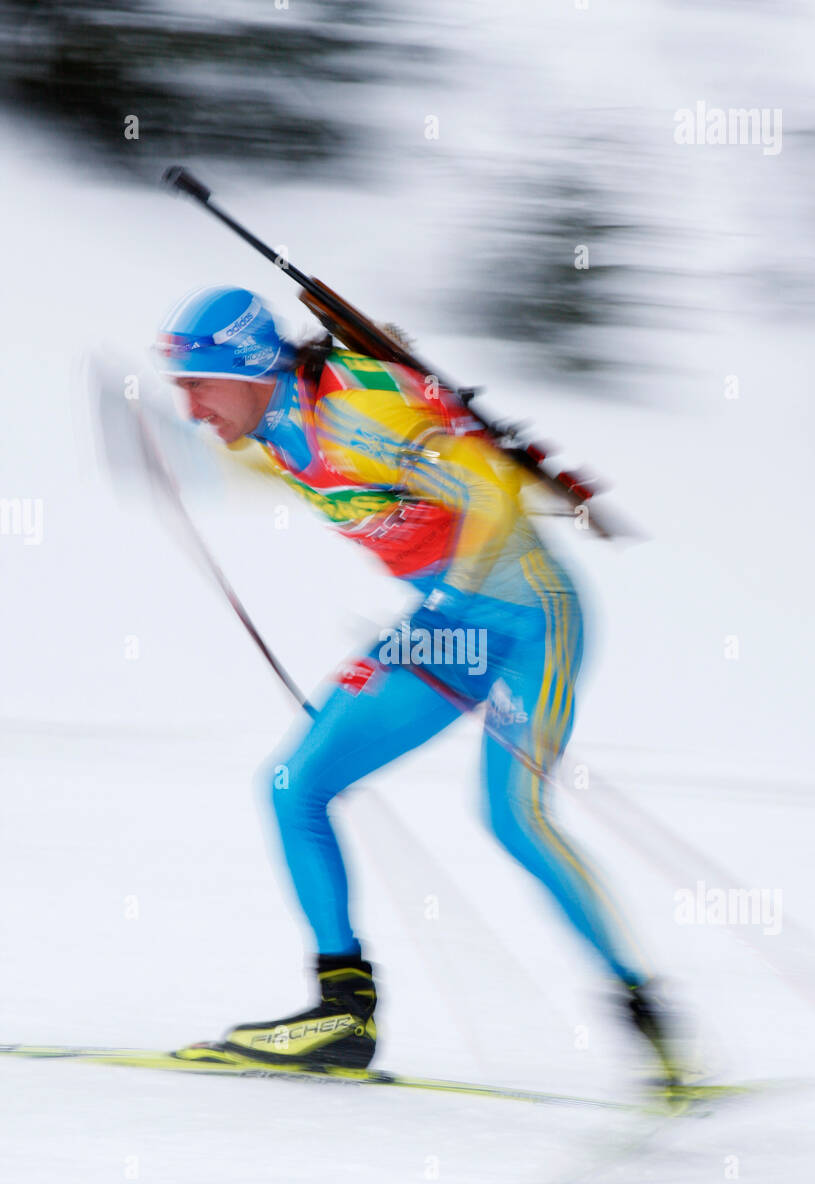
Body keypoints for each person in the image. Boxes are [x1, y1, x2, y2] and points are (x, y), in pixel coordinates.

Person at [155, 285, 680, 1080]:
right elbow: (314, 478)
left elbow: (491, 494)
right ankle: (341, 1018)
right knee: (295, 786)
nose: (193, 406)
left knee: (513, 819)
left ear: (251, 365)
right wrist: (169, 457)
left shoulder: (357, 416)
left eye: (199, 384)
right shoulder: (277, 427)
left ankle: (653, 1024)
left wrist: (441, 610)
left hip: (529, 624)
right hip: (450, 629)